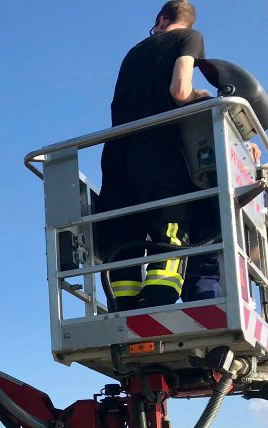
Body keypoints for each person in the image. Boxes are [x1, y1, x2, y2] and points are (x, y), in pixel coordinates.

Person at [97, 1, 209, 311]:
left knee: (124, 227)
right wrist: (197, 97)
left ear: (160, 19)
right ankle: (159, 295)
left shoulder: (134, 52)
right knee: (171, 220)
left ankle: (125, 301)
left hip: (117, 149)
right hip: (160, 146)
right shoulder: (190, 37)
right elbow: (179, 89)